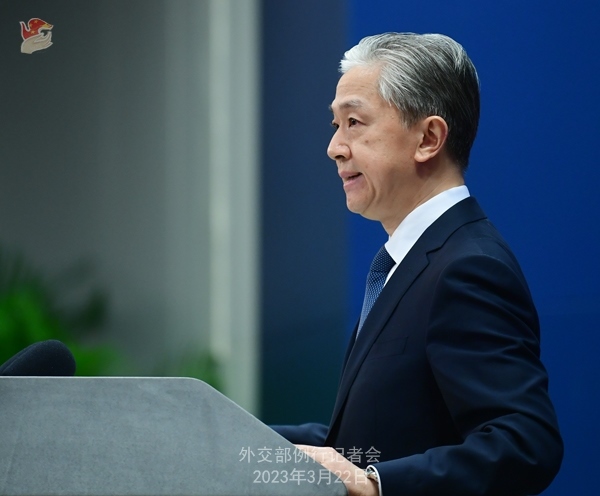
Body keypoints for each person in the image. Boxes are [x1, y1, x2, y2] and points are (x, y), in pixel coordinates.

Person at [271, 33, 563, 496]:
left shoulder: (468, 268)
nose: (335, 147)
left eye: (353, 122)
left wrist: (376, 484)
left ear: (428, 138)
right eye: (335, 124)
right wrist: (233, 437)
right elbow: (378, 439)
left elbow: (525, 443)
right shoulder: (409, 262)